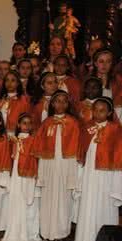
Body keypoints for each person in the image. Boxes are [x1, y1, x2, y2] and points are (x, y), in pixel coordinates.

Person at [33, 90, 80, 240]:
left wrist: (73, 170)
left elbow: (76, 147)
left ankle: (61, 231)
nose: (60, 104)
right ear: (52, 104)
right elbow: (40, 147)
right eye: (57, 101)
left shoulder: (73, 123)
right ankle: (46, 230)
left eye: (64, 101)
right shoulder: (46, 123)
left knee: (64, 198)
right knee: (48, 197)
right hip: (49, 165)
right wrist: (41, 170)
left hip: (66, 165)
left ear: (68, 104)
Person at [75, 97, 122, 241]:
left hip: (107, 176)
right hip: (90, 174)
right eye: (95, 110)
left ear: (109, 113)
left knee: (104, 204)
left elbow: (119, 154)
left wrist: (117, 180)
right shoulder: (87, 128)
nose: (98, 113)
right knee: (88, 204)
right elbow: (81, 152)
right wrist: (80, 176)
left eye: (102, 111)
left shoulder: (116, 129)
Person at [3, 113, 40, 241]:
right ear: (18, 125)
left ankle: (27, 233)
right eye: (24, 123)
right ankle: (14, 232)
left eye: (29, 123)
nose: (26, 125)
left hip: (27, 175)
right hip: (15, 175)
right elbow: (10, 158)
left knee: (27, 203)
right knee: (16, 200)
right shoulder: (13, 140)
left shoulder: (33, 140)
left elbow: (35, 159)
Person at [0, 71, 30, 136]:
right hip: (1, 135)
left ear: (18, 83)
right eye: (7, 80)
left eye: (13, 80)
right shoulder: (0, 100)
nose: (9, 83)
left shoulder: (23, 100)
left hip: (16, 135)